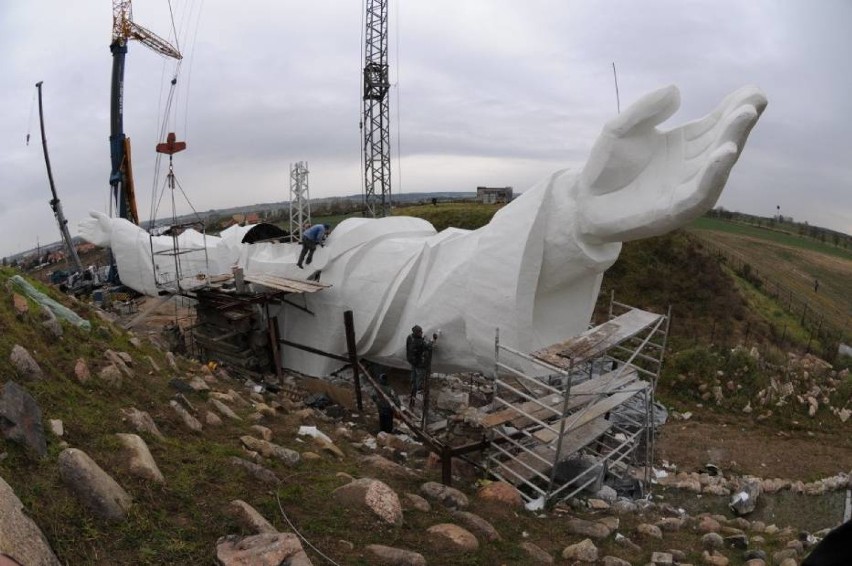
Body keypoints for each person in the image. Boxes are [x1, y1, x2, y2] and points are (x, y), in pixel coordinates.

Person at [406, 325, 437, 408]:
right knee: (420, 380)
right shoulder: (419, 342)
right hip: (419, 364)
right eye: (420, 332)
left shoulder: (409, 337)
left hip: (412, 361)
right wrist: (434, 339)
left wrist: (422, 339)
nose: (422, 333)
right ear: (416, 333)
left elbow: (416, 345)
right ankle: (419, 396)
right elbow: (428, 346)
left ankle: (413, 389)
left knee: (414, 377)